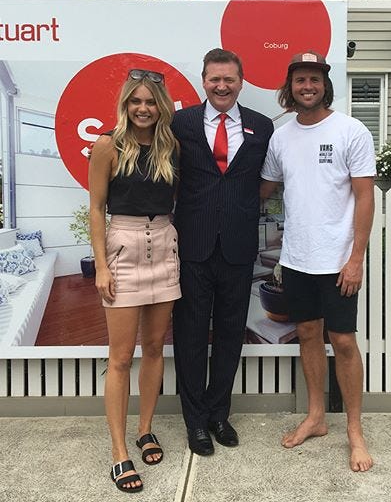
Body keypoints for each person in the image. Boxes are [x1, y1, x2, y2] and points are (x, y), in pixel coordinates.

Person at [260, 51, 376, 472]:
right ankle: (315, 418)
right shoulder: (281, 137)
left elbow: (365, 197)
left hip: (339, 260)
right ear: (289, 88)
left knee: (343, 341)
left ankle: (355, 432)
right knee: (307, 334)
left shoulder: (351, 130)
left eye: (314, 80)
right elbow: (265, 188)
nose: (307, 86)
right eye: (299, 80)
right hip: (296, 259)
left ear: (325, 85)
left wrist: (356, 257)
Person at [171, 48, 274, 456]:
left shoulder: (261, 127)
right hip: (192, 246)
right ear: (203, 81)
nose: (222, 85)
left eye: (229, 79)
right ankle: (194, 422)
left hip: (237, 246)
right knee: (191, 335)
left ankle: (218, 414)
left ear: (241, 82)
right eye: (215, 78)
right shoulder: (181, 123)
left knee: (231, 334)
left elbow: (265, 182)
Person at [89, 69, 181, 493]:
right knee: (121, 357)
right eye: (135, 101)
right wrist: (103, 265)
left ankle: (145, 429)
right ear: (126, 104)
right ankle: (118, 451)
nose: (143, 109)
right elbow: (96, 209)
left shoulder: (170, 146)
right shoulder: (108, 145)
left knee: (156, 347)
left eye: (150, 102)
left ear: (160, 107)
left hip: (164, 243)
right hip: (123, 246)